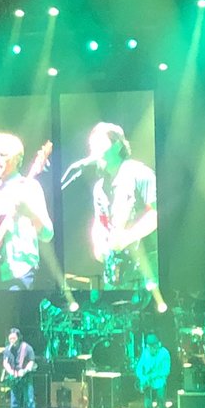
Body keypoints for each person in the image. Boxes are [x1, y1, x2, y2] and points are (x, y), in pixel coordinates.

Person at [0, 133, 53, 290]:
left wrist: (30, 214)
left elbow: (48, 234)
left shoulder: (30, 187)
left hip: (21, 274)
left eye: (3, 155)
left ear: (17, 159)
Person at [85, 122, 158, 290]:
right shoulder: (100, 187)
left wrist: (127, 237)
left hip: (147, 267)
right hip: (118, 271)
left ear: (118, 145)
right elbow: (100, 223)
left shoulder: (139, 173)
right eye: (91, 146)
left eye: (99, 145)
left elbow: (155, 214)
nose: (93, 151)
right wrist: (98, 245)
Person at [134, 332, 171, 408]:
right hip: (147, 384)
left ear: (158, 345)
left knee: (162, 404)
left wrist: (153, 376)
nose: (151, 349)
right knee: (148, 406)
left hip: (159, 382)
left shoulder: (164, 354)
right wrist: (142, 378)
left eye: (153, 346)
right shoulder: (145, 353)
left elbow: (166, 371)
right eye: (149, 347)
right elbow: (139, 368)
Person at [1, 328, 37, 408]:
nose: (12, 340)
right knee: (14, 401)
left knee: (29, 400)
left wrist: (24, 371)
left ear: (19, 338)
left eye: (14, 338)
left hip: (25, 377)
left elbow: (31, 362)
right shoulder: (7, 349)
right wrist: (11, 372)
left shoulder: (27, 348)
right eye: (10, 339)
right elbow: (5, 363)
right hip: (14, 377)